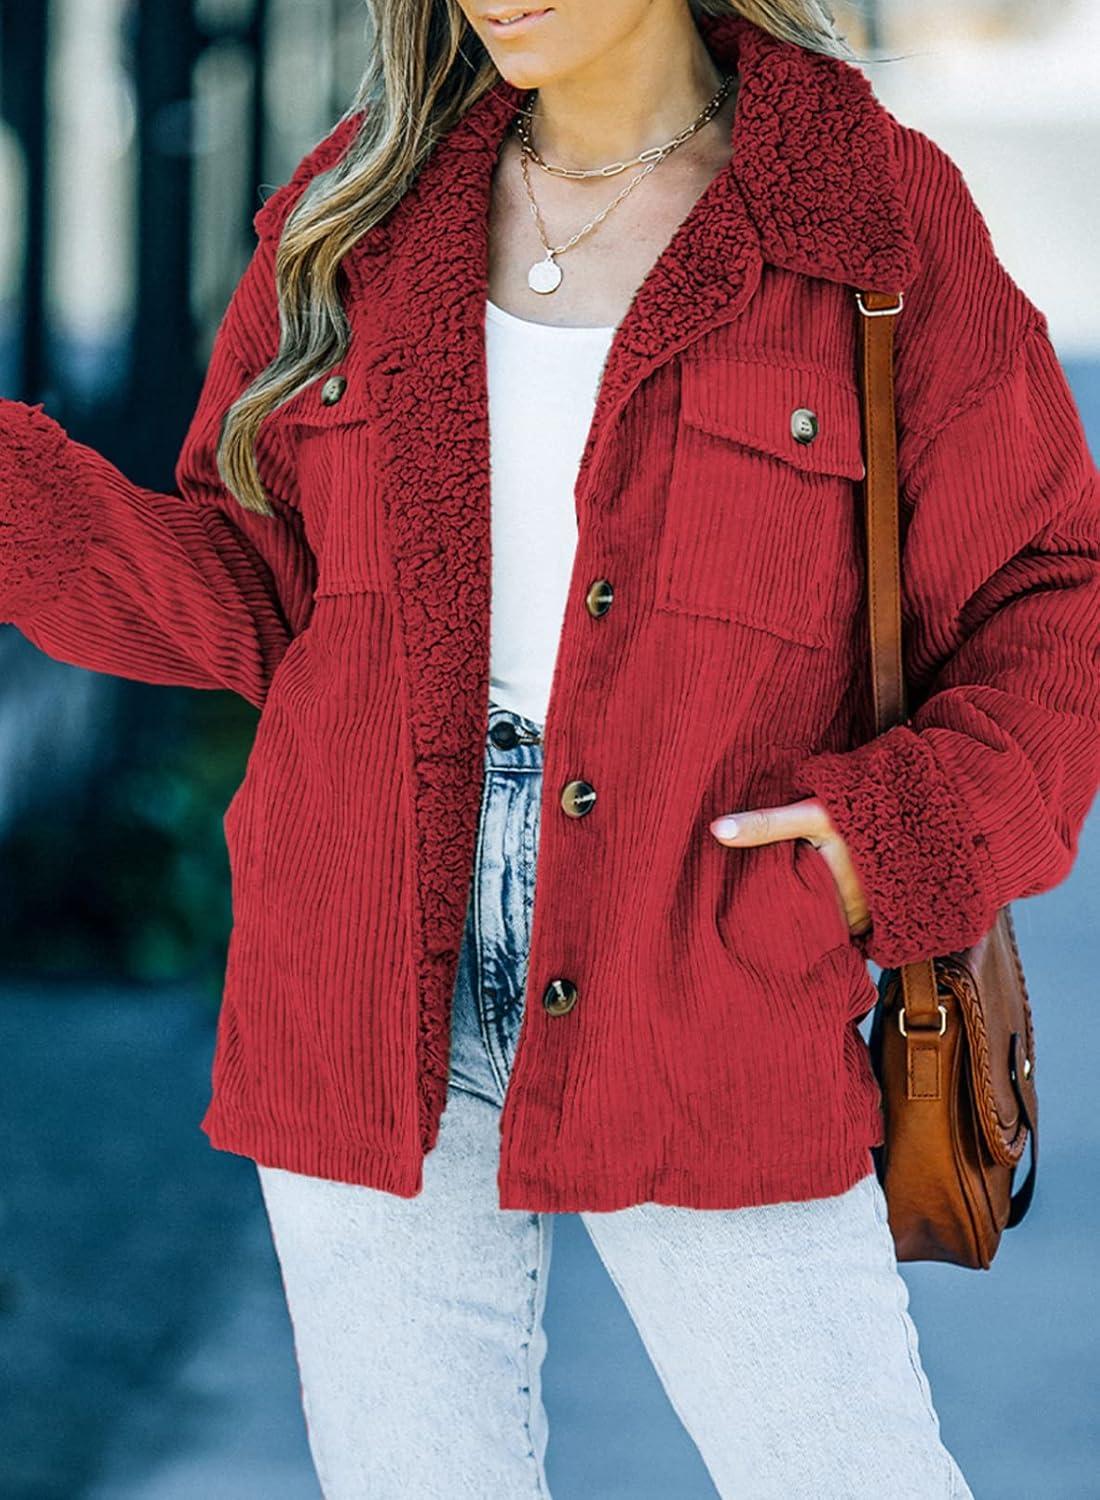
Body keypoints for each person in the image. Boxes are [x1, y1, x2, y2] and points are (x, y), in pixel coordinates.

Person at [3, 2, 1098, 1495]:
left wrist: (888, 844)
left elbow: (1049, 586)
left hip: (707, 939)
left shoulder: (864, 214)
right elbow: (261, 594)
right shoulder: (356, 210)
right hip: (361, 949)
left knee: (841, 1468)